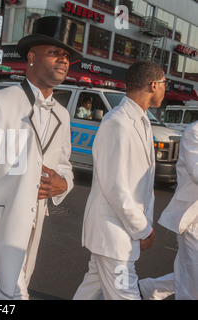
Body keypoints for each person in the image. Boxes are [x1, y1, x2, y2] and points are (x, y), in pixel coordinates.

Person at [0, 16, 81, 300]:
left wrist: (64, 184)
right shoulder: (0, 103)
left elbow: (65, 166)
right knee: (11, 295)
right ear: (32, 57)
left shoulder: (62, 114)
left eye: (66, 56)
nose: (63, 60)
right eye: (54, 53)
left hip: (33, 228)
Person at [73, 61, 168, 300]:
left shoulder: (142, 120)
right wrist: (143, 229)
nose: (166, 89)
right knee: (127, 295)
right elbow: (115, 187)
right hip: (114, 234)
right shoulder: (117, 122)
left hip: (117, 233)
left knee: (90, 292)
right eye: (165, 83)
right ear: (153, 84)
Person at [139, 120, 198, 300]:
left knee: (188, 274)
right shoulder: (194, 133)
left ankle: (148, 289)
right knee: (192, 281)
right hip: (193, 219)